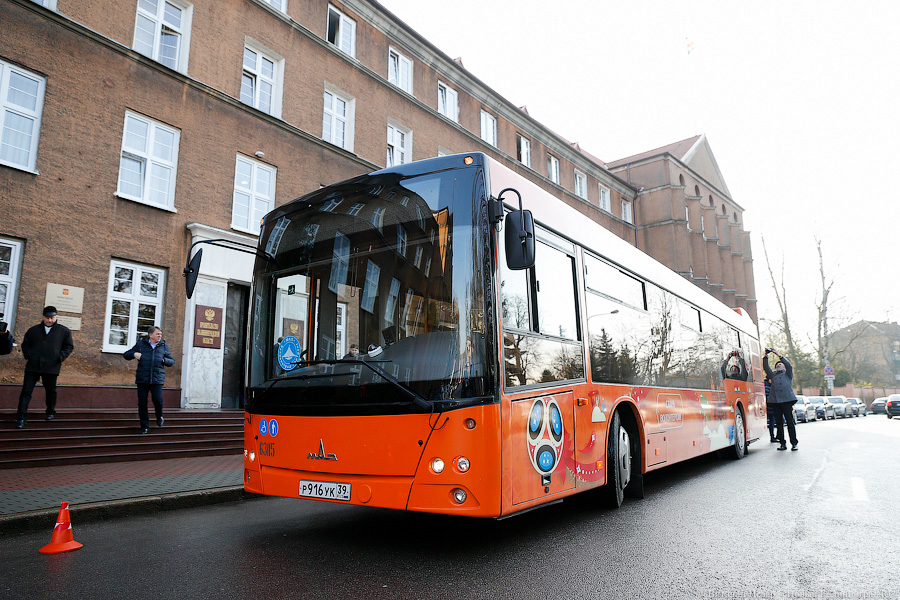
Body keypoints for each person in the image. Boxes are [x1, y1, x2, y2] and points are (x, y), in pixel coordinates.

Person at [15, 306, 75, 428]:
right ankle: (21, 418)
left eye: (52, 318)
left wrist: (59, 357)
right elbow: (25, 344)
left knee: (51, 391)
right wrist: (30, 356)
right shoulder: (33, 330)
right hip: (33, 366)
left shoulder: (64, 331)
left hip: (51, 367)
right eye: (47, 318)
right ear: (43, 317)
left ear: (56, 317)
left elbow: (69, 346)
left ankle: (50, 411)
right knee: (26, 391)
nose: (50, 320)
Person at [124, 326, 175, 434]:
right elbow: (126, 355)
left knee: (157, 400)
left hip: (157, 379)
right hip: (142, 379)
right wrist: (134, 354)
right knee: (142, 403)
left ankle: (159, 416)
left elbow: (172, 361)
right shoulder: (141, 345)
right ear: (150, 335)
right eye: (157, 334)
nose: (160, 336)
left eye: (160, 334)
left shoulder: (164, 346)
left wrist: (164, 360)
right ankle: (144, 426)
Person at [763, 348, 798, 451]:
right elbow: (766, 368)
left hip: (787, 401)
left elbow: (789, 365)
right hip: (776, 402)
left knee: (790, 423)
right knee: (779, 424)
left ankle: (794, 443)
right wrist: (765, 356)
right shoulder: (773, 375)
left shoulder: (788, 374)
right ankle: (782, 443)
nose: (778, 365)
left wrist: (778, 354)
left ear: (784, 367)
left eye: (780, 364)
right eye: (777, 365)